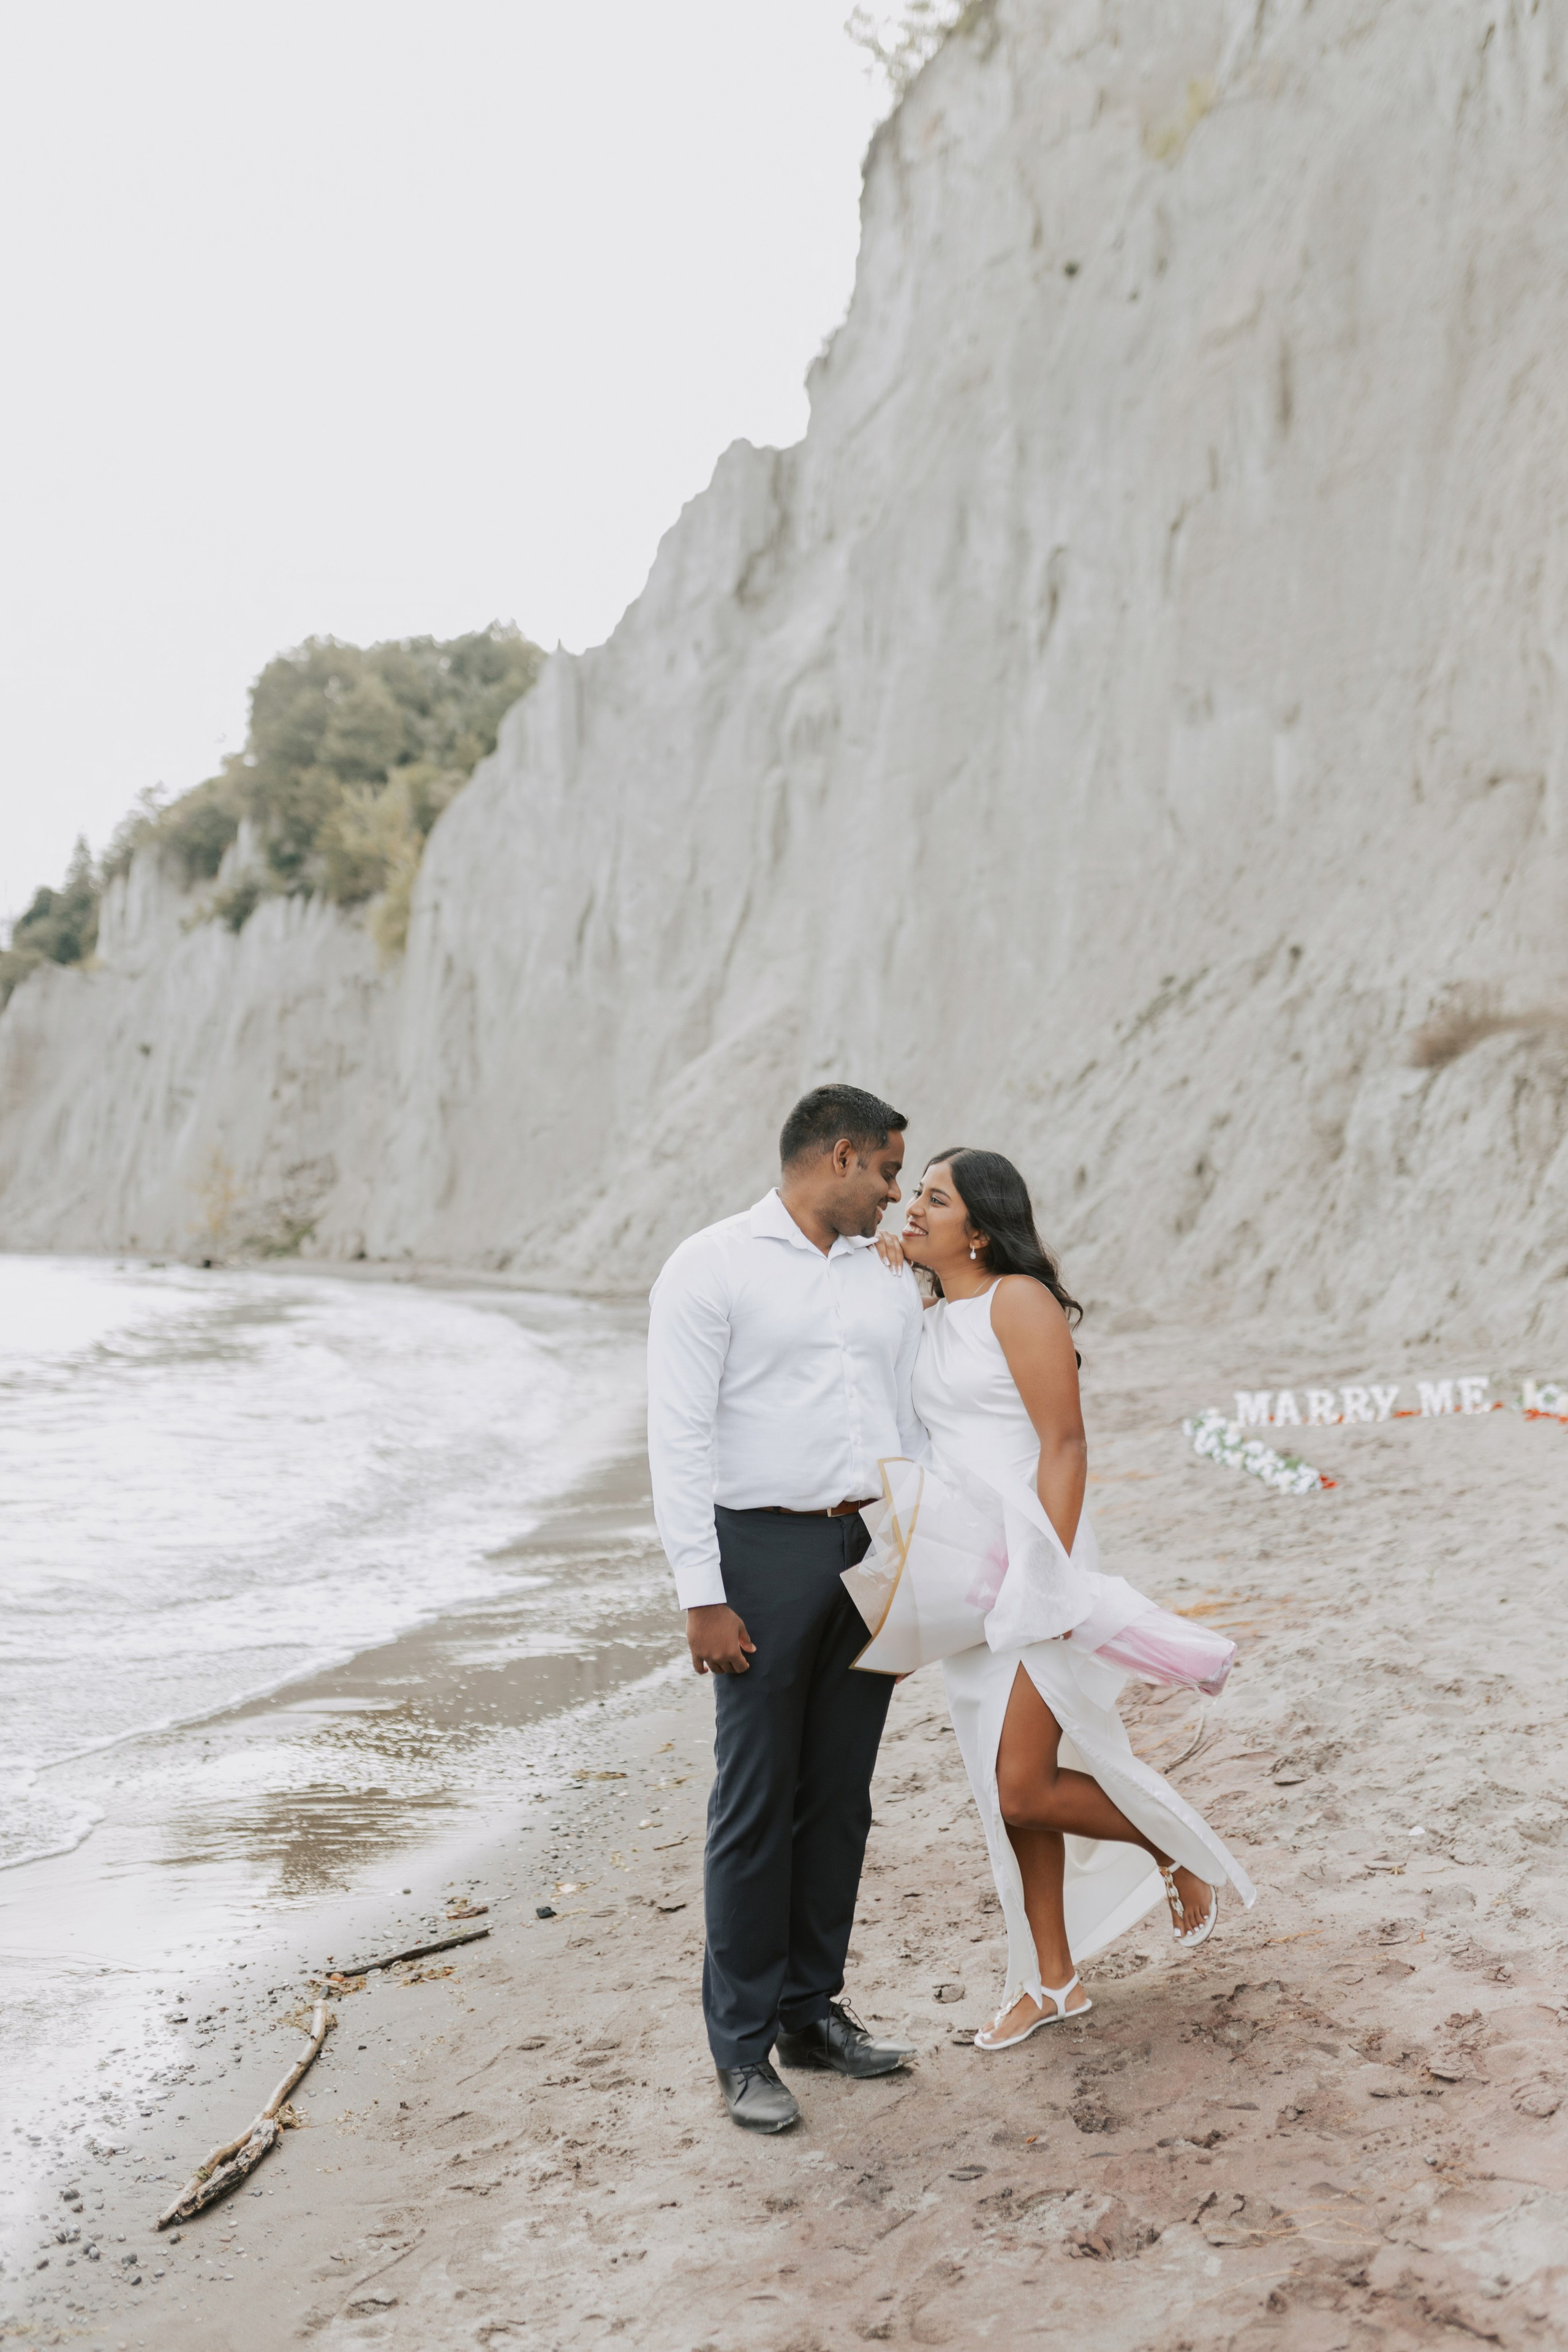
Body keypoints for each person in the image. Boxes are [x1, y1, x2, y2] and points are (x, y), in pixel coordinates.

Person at [877, 1148, 1255, 2049]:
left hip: (1035, 1564)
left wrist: (1043, 1576)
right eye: (916, 1196)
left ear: (981, 1227)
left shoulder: (1020, 1299)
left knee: (1022, 1783)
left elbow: (1065, 1444)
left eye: (936, 1199)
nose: (914, 1210)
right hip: (965, 1574)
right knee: (1004, 1789)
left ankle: (1173, 1846)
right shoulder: (929, 1314)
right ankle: (1051, 1980)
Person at [647, 1084, 924, 2132]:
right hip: (757, 1551)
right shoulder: (710, 1265)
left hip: (869, 1545)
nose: (897, 1195)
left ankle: (813, 2012)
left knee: (841, 1796)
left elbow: (910, 1419)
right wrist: (701, 1595)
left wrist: (913, 1568)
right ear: (843, 1156)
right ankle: (742, 2047)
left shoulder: (883, 1277)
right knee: (755, 1805)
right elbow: (675, 1438)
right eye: (890, 1172)